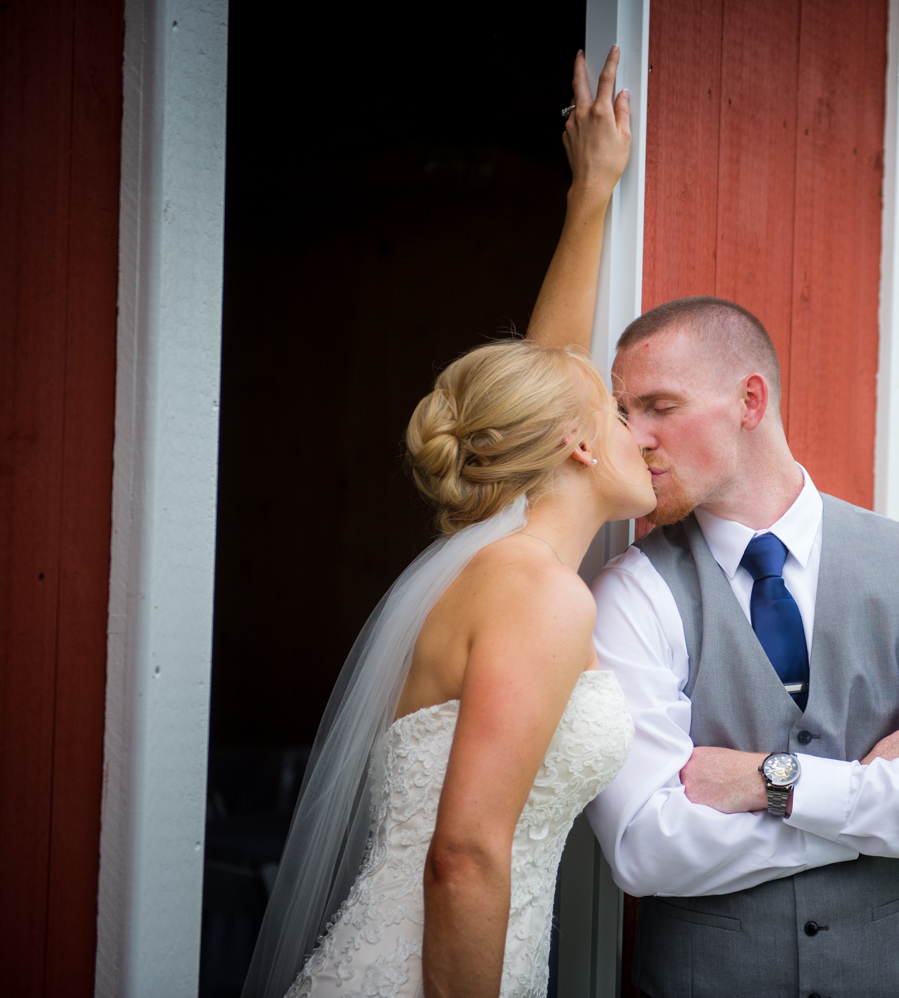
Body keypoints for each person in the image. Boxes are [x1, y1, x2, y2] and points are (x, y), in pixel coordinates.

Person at [241, 47, 645, 998]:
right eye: (624, 412)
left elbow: (549, 379)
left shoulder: (504, 559)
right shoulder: (536, 591)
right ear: (579, 446)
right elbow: (462, 855)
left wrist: (592, 192)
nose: (642, 432)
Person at [582, 297, 899, 998]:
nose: (633, 437)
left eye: (658, 406)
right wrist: (864, 805)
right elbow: (645, 848)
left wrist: (768, 782)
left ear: (749, 401)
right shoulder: (631, 595)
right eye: (622, 413)